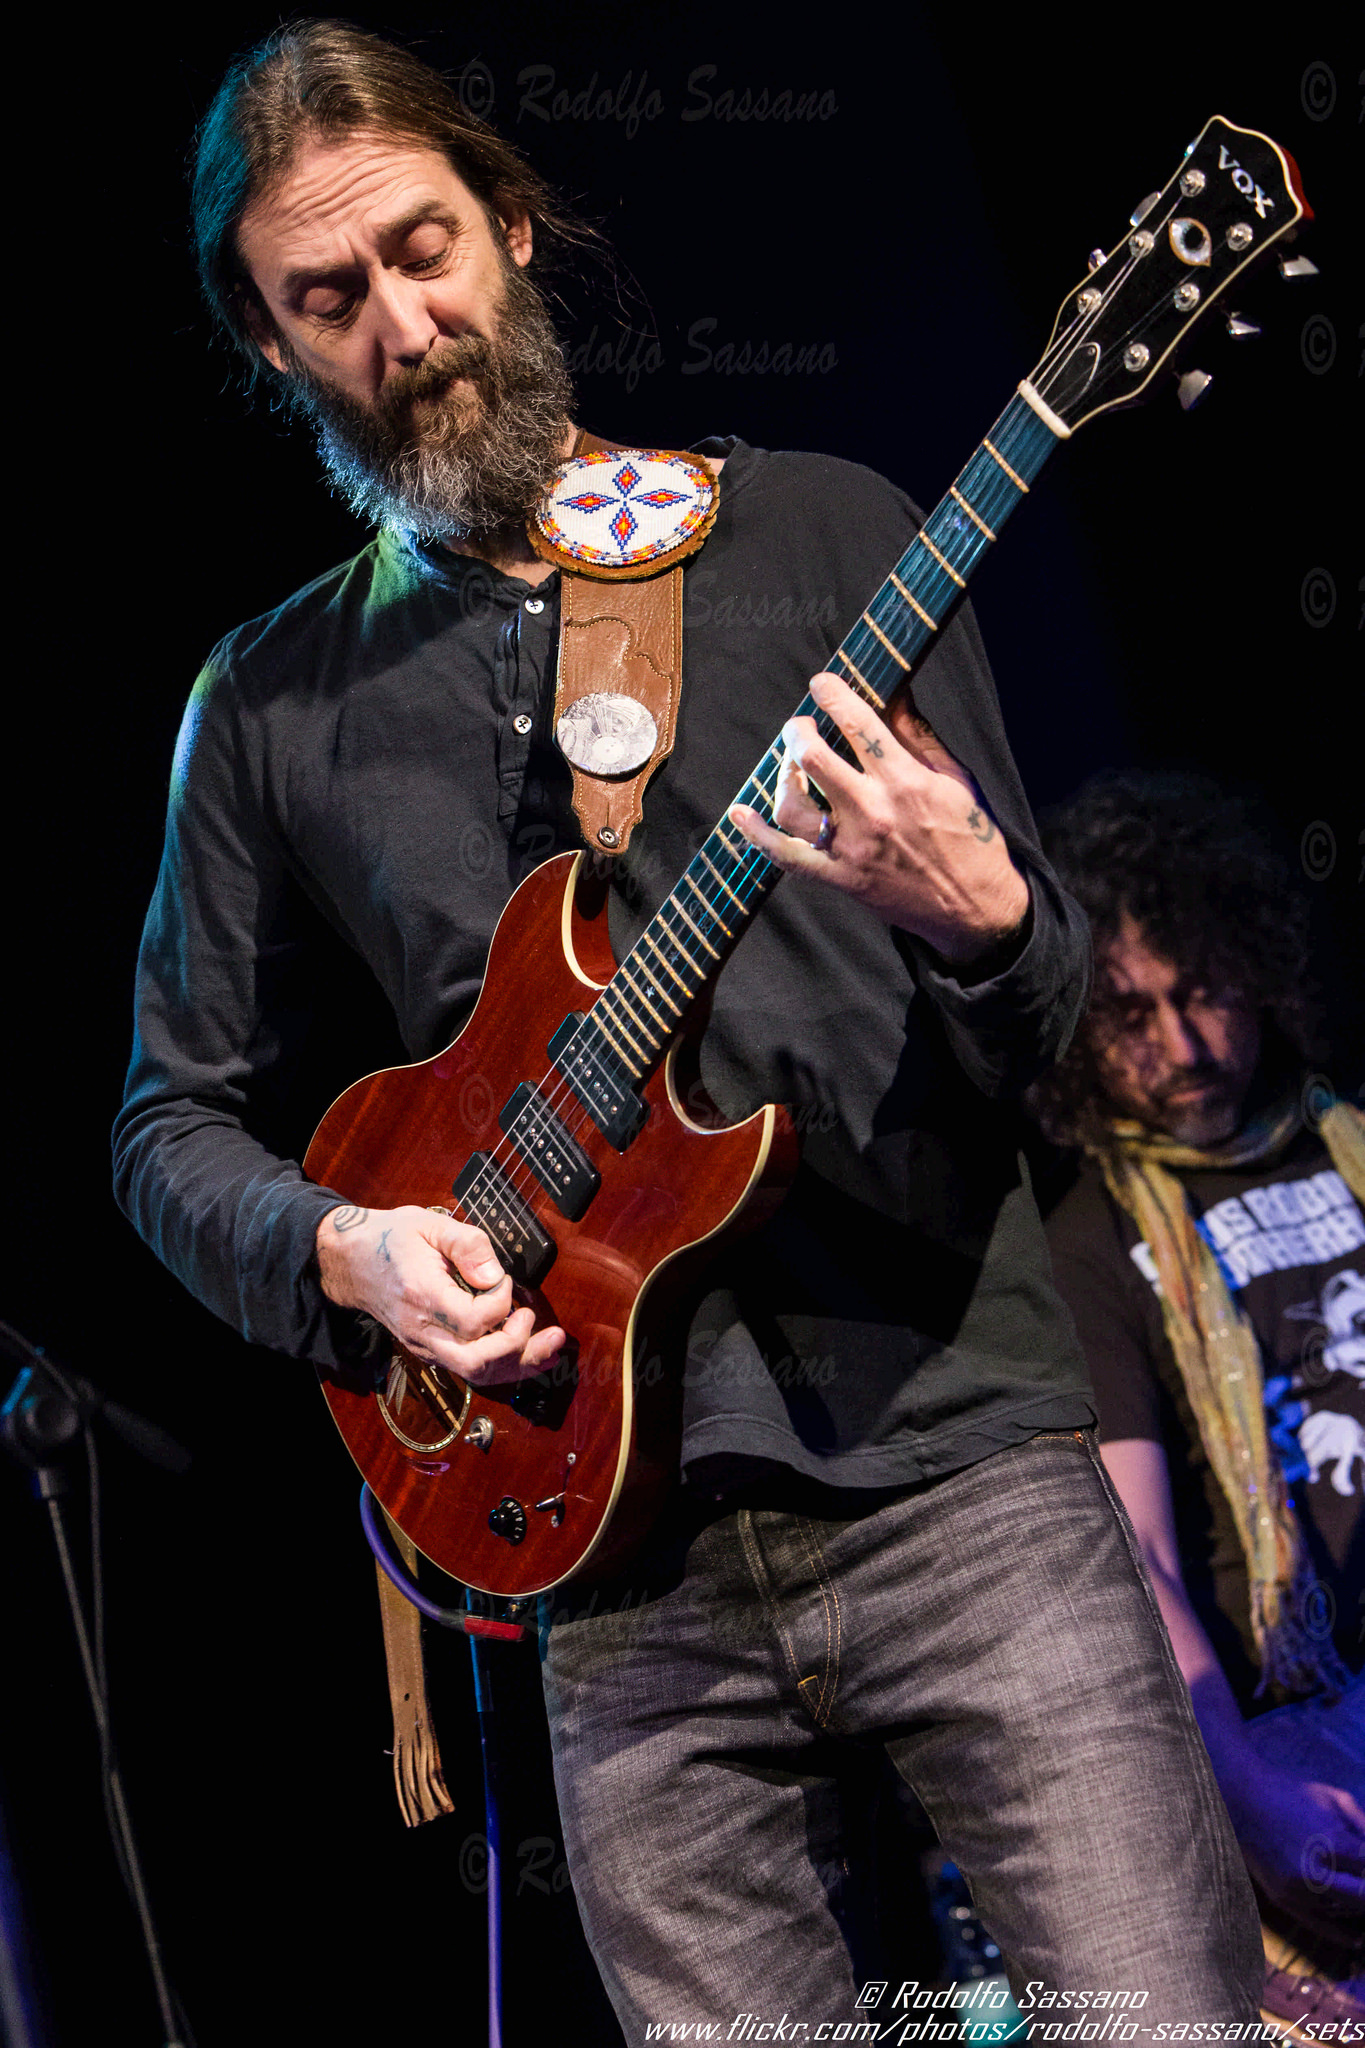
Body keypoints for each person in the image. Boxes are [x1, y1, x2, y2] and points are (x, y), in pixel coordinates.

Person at [113, 23, 1264, 2037]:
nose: (404, 325)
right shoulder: (268, 702)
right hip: (601, 1563)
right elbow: (164, 1129)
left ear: (512, 225)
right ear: (271, 345)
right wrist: (346, 1248)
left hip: (955, 1472)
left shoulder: (822, 537)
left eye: (423, 249)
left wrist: (986, 914)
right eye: (329, 297)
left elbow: (1051, 1039)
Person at [1036, 772, 1365, 1987]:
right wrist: (1251, 1793)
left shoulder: (1351, 1144)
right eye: (1131, 1012)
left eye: (1206, 991)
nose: (1181, 1046)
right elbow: (1139, 1557)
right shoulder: (1090, 1241)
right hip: (1306, 1728)